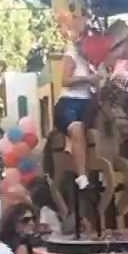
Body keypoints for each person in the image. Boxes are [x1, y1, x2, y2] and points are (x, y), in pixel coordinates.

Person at [54, 30, 104, 192]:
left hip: (87, 104)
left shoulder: (93, 63)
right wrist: (86, 79)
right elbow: (65, 80)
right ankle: (81, 176)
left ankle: (101, 168)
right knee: (77, 128)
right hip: (69, 103)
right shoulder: (72, 55)